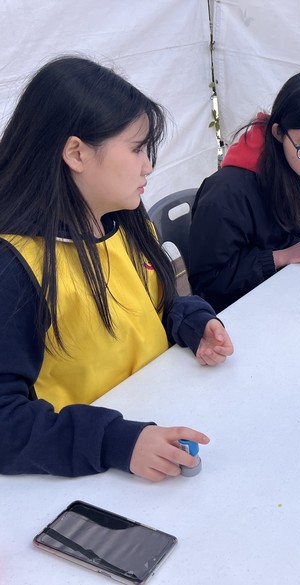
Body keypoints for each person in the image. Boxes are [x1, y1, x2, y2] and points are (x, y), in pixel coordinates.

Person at [0, 56, 234, 480]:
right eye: (137, 148)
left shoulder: (123, 217)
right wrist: (116, 443)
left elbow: (154, 306)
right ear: (76, 153)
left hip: (159, 423)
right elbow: (6, 423)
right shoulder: (14, 265)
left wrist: (193, 322)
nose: (149, 165)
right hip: (89, 473)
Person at [188, 70, 300, 313]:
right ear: (278, 133)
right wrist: (283, 256)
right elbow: (208, 282)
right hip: (241, 313)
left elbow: (293, 224)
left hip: (291, 294)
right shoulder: (227, 193)